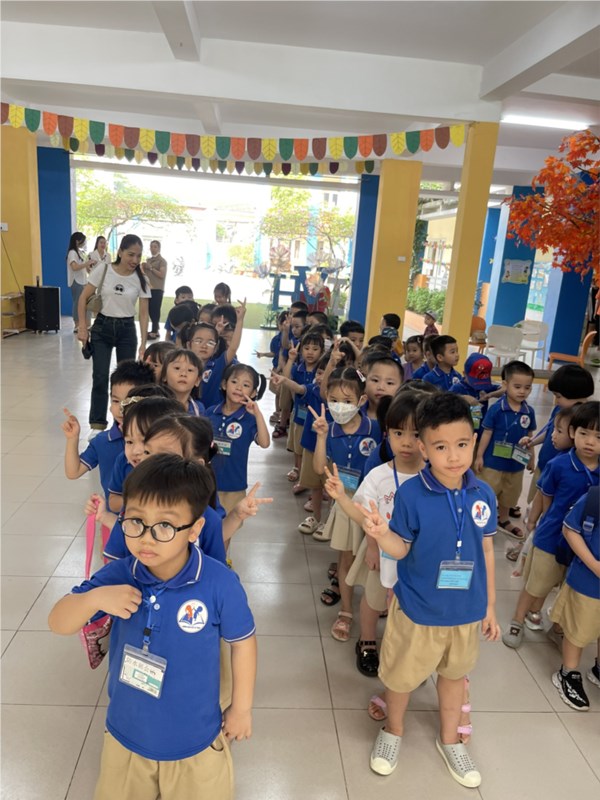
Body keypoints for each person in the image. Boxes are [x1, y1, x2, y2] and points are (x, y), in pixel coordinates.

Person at [48, 454, 257, 800]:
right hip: (126, 735)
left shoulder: (219, 583)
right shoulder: (120, 574)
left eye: (164, 526)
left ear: (195, 530)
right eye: (135, 521)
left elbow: (243, 643)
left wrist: (241, 708)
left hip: (197, 739)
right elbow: (58, 622)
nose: (146, 538)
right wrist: (94, 599)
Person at [360, 393, 500, 787]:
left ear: (473, 441)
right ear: (423, 448)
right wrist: (381, 534)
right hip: (417, 610)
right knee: (401, 677)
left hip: (466, 612)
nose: (453, 456)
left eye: (462, 444)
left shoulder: (483, 494)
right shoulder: (412, 494)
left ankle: (449, 738)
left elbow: (487, 550)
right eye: (440, 447)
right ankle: (393, 730)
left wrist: (489, 605)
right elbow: (401, 548)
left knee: (455, 676)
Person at [325, 391, 425, 678]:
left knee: (408, 610)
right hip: (383, 555)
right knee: (373, 599)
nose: (406, 442)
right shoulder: (379, 475)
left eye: (416, 434)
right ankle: (367, 640)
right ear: (387, 434)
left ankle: (403, 654)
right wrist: (342, 499)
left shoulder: (434, 476)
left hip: (418, 562)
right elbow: (364, 515)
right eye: (398, 433)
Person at [502, 401, 600, 650]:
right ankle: (517, 620)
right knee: (537, 584)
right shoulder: (559, 464)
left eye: (598, 437)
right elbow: (545, 498)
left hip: (585, 546)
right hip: (551, 538)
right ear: (573, 432)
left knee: (567, 587)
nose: (590, 442)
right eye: (584, 433)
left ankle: (558, 627)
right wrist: (537, 523)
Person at [311, 367, 379, 640]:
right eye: (334, 400)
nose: (340, 406)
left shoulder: (376, 429)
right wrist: (321, 437)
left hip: (373, 503)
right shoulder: (330, 430)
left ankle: (375, 602)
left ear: (361, 400)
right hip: (344, 501)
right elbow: (319, 468)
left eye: (347, 400)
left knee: (375, 557)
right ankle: (347, 611)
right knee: (346, 558)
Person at [77, 234, 151, 433]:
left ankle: (123, 424)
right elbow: (83, 298)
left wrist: (143, 342)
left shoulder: (141, 279)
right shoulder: (104, 269)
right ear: (120, 252)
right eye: (130, 254)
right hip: (102, 327)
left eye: (138, 256)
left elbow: (144, 314)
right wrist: (83, 326)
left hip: (127, 330)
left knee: (126, 381)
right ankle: (97, 425)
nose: (135, 260)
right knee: (100, 377)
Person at [62, 360, 155, 499]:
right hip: (112, 511)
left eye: (129, 401)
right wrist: (72, 439)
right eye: (116, 401)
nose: (121, 408)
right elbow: (73, 472)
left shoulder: (158, 440)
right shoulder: (102, 441)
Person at [550, 487, 600, 711]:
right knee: (577, 630)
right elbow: (570, 529)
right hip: (588, 583)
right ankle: (568, 672)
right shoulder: (594, 499)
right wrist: (595, 565)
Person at [475, 360, 536, 540]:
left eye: (527, 387)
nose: (522, 391)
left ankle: (503, 519)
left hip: (516, 463)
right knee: (487, 492)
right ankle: (481, 522)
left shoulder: (529, 411)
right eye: (517, 387)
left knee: (510, 494)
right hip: (493, 462)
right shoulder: (496, 409)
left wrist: (532, 458)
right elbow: (486, 433)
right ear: (505, 385)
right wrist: (479, 456)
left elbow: (530, 436)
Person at [206, 364, 270, 515]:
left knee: (229, 523)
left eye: (246, 385)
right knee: (207, 523)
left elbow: (265, 443)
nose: (239, 388)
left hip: (234, 486)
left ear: (253, 393)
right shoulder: (210, 413)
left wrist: (257, 414)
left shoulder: (249, 419)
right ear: (224, 384)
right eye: (234, 382)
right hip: (207, 482)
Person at [160, 348, 205, 416]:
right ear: (164, 376)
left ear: (197, 381)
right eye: (177, 368)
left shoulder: (199, 409)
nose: (183, 374)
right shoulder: (155, 405)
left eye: (190, 370)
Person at [66, 231, 94, 333]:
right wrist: (87, 263)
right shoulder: (72, 253)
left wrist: (89, 267)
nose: (84, 243)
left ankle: (86, 324)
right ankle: (77, 324)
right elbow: (74, 267)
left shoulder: (80, 252)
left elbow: (84, 267)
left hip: (83, 281)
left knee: (86, 302)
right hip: (76, 281)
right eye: (83, 241)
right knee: (78, 302)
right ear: (77, 241)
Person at [142, 240, 168, 340]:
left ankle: (154, 331)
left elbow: (162, 275)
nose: (153, 248)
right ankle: (155, 328)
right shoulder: (149, 260)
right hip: (148, 287)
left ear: (159, 248)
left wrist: (151, 268)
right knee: (149, 309)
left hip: (157, 288)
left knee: (155, 310)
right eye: (151, 246)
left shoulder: (162, 261)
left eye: (155, 246)